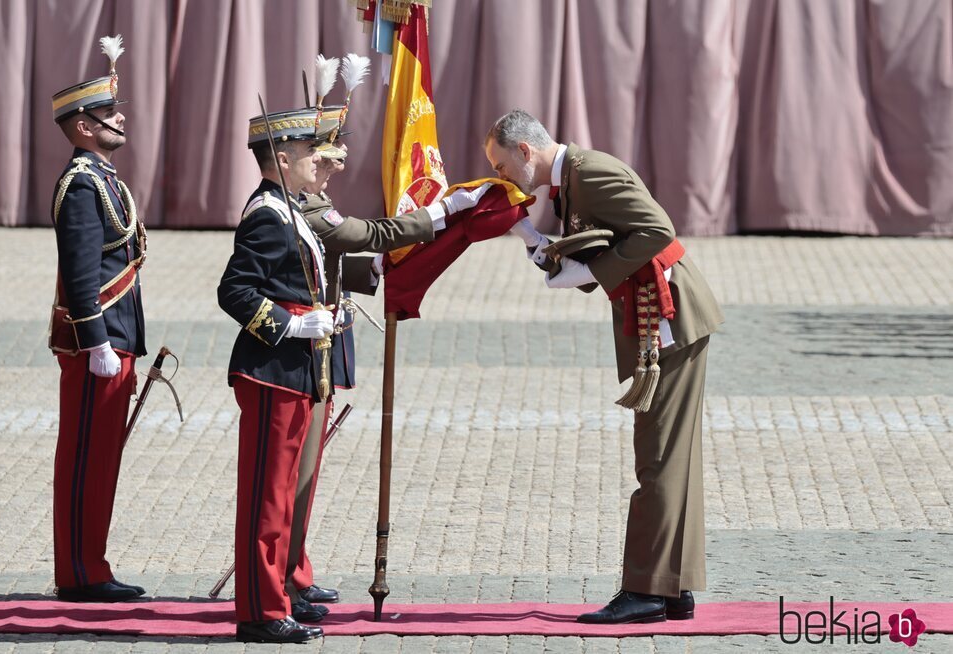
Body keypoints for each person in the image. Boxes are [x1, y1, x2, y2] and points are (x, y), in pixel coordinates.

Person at [217, 106, 486, 642]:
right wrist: (293, 326)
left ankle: (275, 598)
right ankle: (259, 613)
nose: (323, 161)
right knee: (267, 500)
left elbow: (309, 273)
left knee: (284, 492)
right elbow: (235, 291)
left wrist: (339, 300)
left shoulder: (290, 208)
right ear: (284, 158)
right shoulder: (268, 214)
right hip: (273, 370)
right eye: (312, 154)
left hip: (295, 372)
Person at [485, 109, 724, 624]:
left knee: (658, 459)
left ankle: (645, 591)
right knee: (672, 460)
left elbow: (657, 231)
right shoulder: (572, 181)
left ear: (525, 151)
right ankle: (673, 586)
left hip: (667, 317)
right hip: (658, 317)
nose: (504, 177)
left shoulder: (588, 172)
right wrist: (543, 248)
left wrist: (589, 270)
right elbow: (610, 243)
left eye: (503, 167)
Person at [284, 127, 491, 623]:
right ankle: (282, 581)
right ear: (290, 157)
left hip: (317, 350)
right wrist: (440, 214)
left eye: (332, 157)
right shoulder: (302, 206)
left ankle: (292, 574)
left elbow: (324, 261)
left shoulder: (307, 201)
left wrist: (372, 269)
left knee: (303, 475)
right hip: (298, 353)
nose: (333, 166)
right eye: (323, 156)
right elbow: (358, 235)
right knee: (292, 476)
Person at [48, 35, 148, 603]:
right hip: (100, 342)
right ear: (83, 126)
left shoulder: (103, 177)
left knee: (102, 460)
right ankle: (80, 573)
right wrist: (96, 342)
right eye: (108, 113)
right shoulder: (81, 183)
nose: (119, 118)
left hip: (118, 335)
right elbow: (81, 270)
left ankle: (91, 565)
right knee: (85, 457)